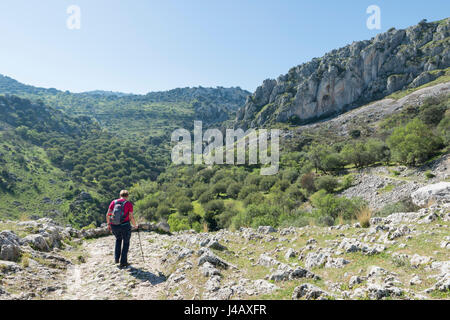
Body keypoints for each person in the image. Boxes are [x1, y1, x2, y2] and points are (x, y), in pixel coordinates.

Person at [106, 190, 138, 268]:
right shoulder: (128, 204)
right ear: (127, 196)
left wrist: (109, 224)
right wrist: (135, 225)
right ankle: (123, 262)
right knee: (126, 242)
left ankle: (116, 259)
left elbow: (108, 214)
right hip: (125, 225)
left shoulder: (114, 202)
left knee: (118, 240)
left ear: (120, 195)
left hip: (114, 225)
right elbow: (131, 217)